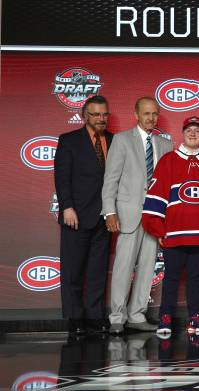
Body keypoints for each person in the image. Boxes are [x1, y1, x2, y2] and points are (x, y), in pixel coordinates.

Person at [102, 97, 173, 334]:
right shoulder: (122, 140)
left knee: (146, 267)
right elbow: (111, 178)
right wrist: (110, 211)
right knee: (123, 267)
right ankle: (116, 318)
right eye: (146, 113)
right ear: (136, 114)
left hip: (154, 216)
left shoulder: (165, 145)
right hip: (127, 215)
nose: (151, 118)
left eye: (154, 113)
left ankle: (137, 315)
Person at [141, 116, 199, 338]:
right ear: (183, 134)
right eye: (189, 130)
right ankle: (166, 317)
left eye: (197, 130)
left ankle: (195, 316)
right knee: (171, 277)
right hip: (174, 233)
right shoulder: (169, 160)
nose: (193, 133)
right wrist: (158, 228)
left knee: (195, 277)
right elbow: (156, 194)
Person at [54, 95, 113, 335]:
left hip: (105, 216)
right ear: (84, 116)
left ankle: (95, 316)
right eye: (96, 114)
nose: (101, 119)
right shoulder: (69, 141)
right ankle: (75, 317)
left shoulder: (114, 140)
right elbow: (61, 177)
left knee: (98, 271)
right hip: (76, 215)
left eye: (104, 114)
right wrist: (67, 206)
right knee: (73, 270)